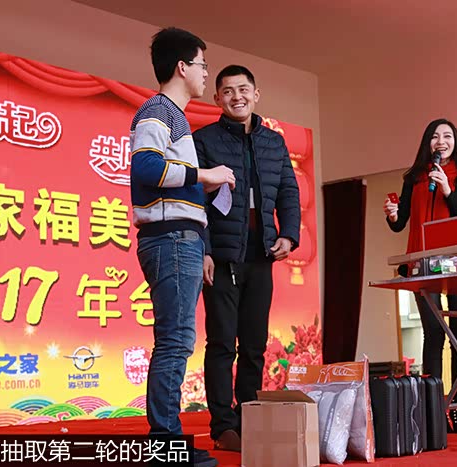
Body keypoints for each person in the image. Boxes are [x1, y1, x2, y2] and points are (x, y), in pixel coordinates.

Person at [129, 27, 235, 467]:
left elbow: (167, 178)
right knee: (174, 341)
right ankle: (165, 444)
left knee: (176, 340)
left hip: (180, 237)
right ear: (182, 67)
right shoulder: (159, 111)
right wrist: (204, 175)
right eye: (203, 65)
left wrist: (201, 188)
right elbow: (146, 168)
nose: (206, 73)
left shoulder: (173, 116)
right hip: (171, 238)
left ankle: (166, 440)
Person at [193, 65, 300, 451]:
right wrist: (204, 249)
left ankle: (249, 418)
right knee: (222, 342)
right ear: (217, 98)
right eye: (227, 91)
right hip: (222, 257)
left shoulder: (274, 142)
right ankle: (223, 426)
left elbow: (288, 190)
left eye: (243, 89)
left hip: (261, 255)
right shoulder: (203, 140)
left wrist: (288, 234)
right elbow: (194, 199)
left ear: (256, 94)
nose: (236, 97)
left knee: (254, 344)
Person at [384, 118, 457, 434]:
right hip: (423, 262)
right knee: (433, 333)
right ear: (428, 143)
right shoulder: (414, 178)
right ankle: (435, 409)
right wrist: (393, 215)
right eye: (435, 136)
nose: (441, 141)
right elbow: (401, 222)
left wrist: (448, 191)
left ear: (455, 142)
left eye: (447, 136)